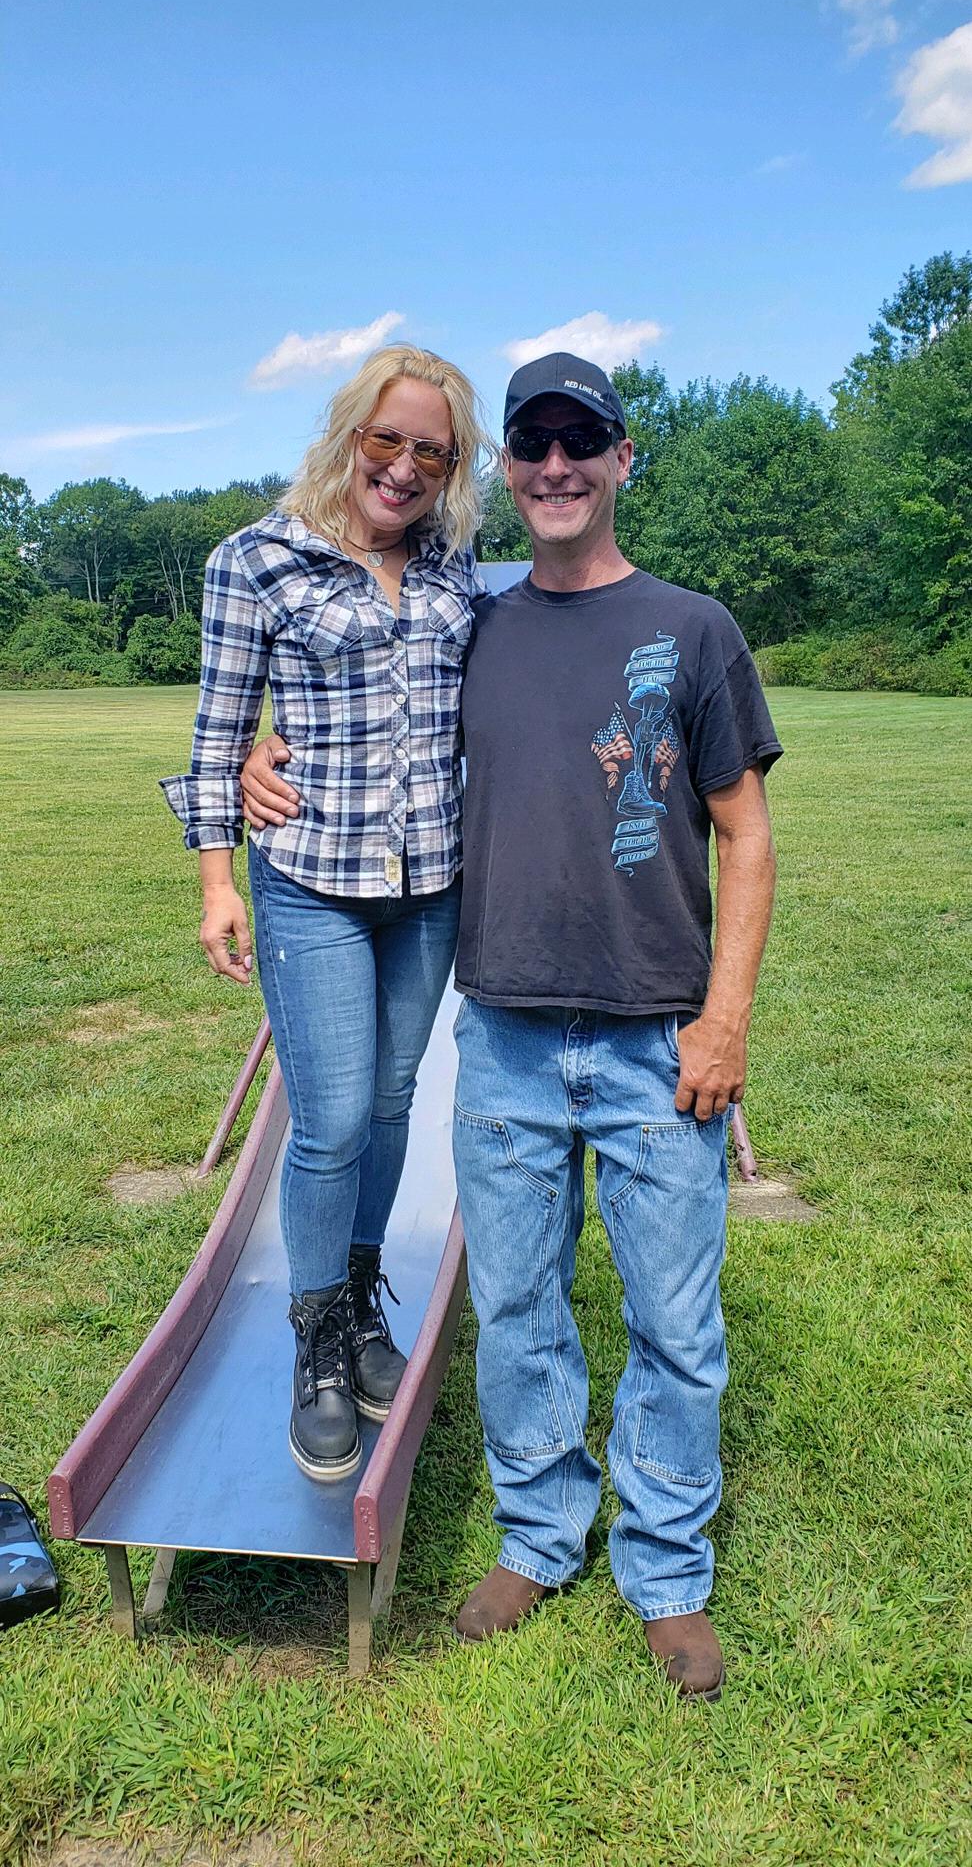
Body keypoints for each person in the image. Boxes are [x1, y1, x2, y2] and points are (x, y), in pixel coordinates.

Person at [242, 350, 782, 1702]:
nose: (554, 466)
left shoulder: (695, 628)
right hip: (506, 1036)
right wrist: (263, 747)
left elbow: (747, 833)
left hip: (659, 1039)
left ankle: (667, 1570)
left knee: (675, 1322)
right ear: (504, 467)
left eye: (580, 442)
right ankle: (540, 1535)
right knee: (521, 1307)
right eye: (530, 443)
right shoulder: (468, 619)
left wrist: (725, 1019)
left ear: (621, 460)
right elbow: (354, 691)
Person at [161, 344, 491, 1483]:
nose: (404, 467)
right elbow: (218, 733)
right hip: (311, 881)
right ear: (349, 433)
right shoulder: (256, 559)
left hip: (430, 882)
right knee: (334, 1117)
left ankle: (357, 1296)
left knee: (393, 1105)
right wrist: (218, 882)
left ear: (453, 467)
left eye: (431, 452)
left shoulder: (454, 565)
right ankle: (316, 1338)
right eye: (386, 439)